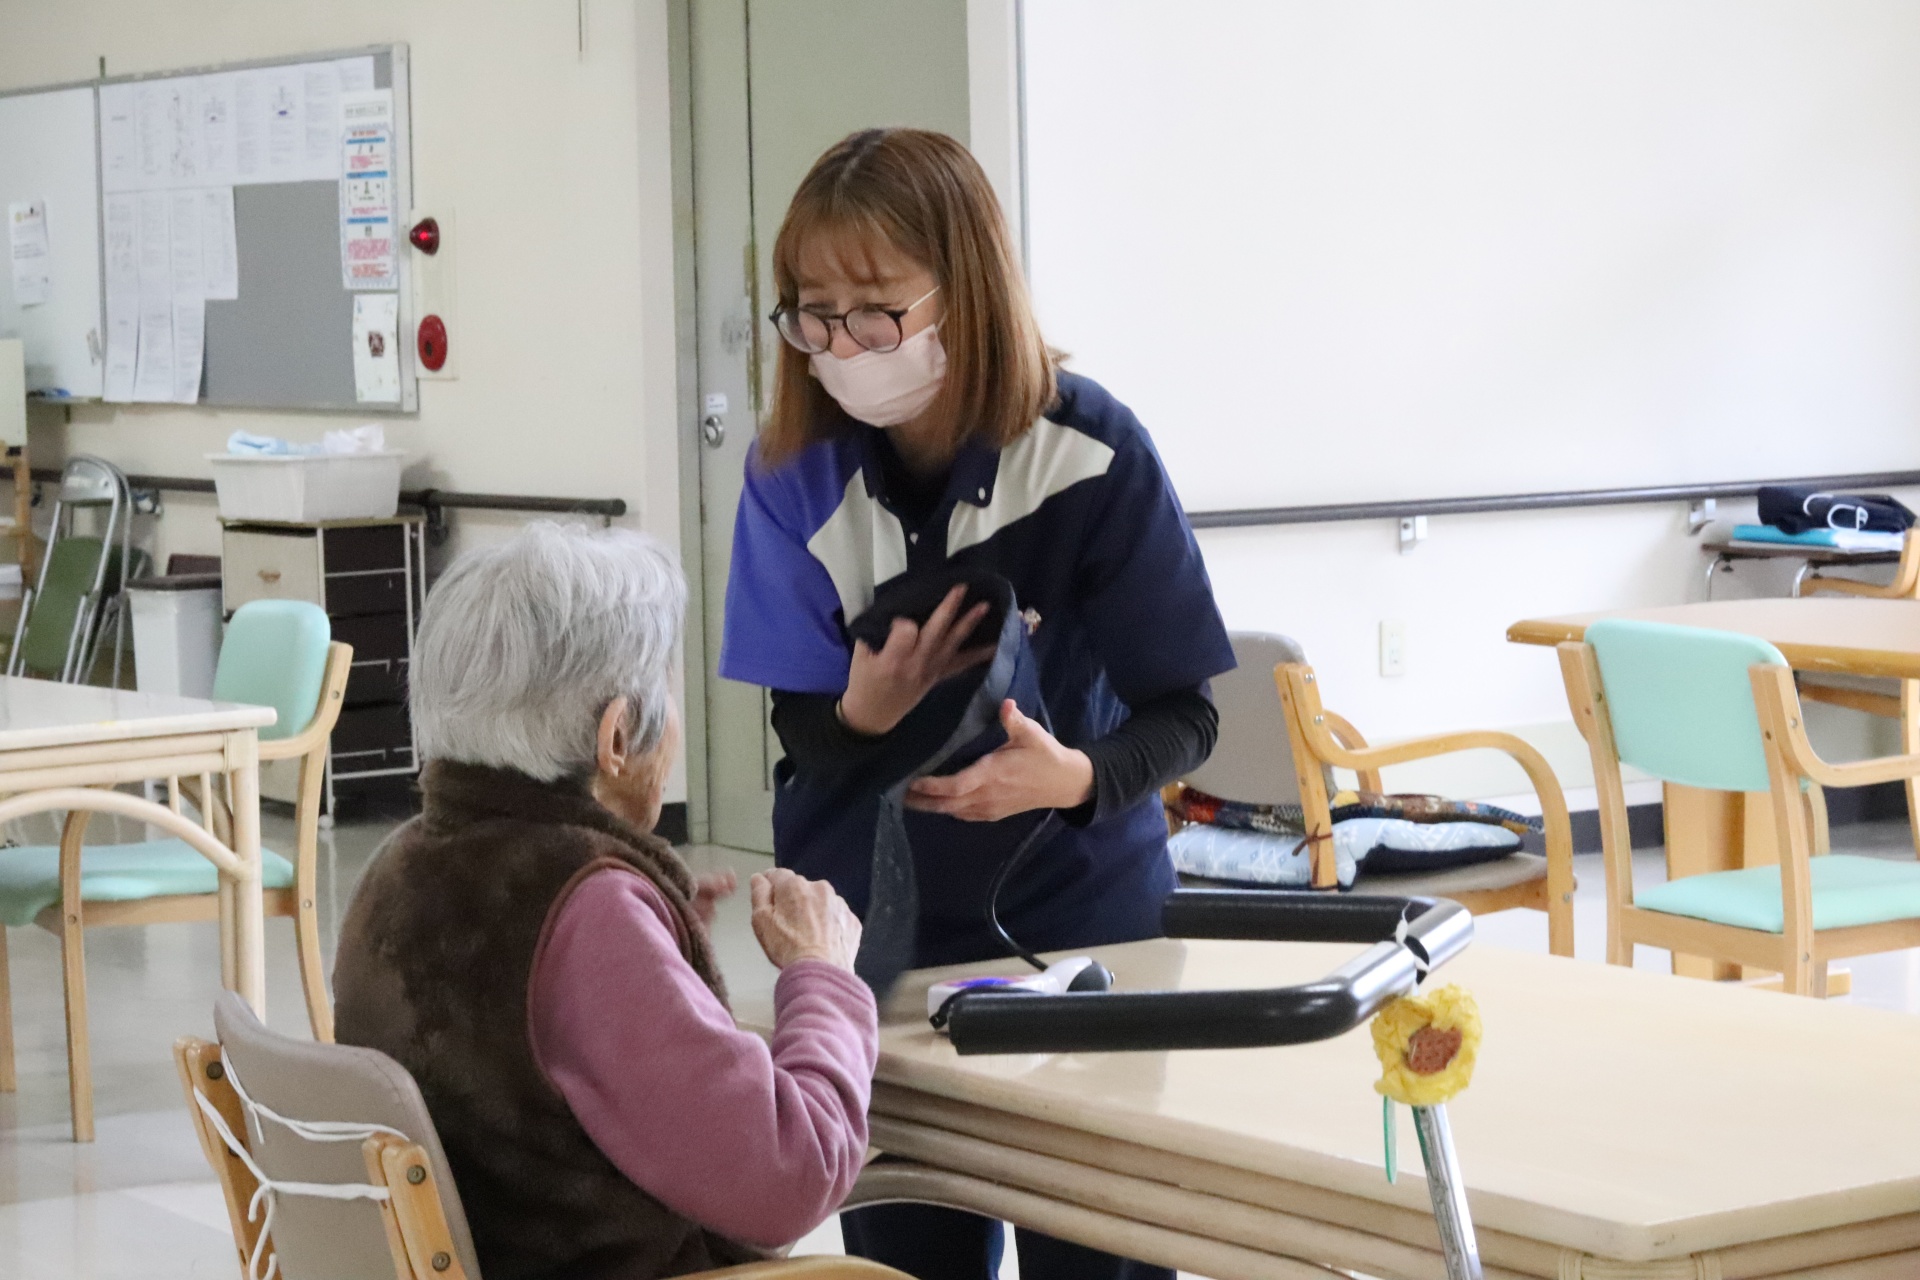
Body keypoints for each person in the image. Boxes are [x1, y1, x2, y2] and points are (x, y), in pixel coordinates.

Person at [720, 128, 1234, 1280]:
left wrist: (1075, 778)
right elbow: (798, 723)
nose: (841, 346)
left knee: (1097, 1247)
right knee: (905, 1251)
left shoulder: (1089, 454)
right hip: (877, 926)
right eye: (813, 315)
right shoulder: (792, 472)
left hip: (1081, 917)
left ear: (966, 290)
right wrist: (861, 714)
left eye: (875, 313)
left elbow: (1186, 714)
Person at [333, 523, 876, 1280]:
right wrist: (822, 975)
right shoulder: (586, 916)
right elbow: (791, 1175)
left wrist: (653, 951)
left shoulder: (397, 866)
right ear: (617, 737)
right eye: (669, 690)